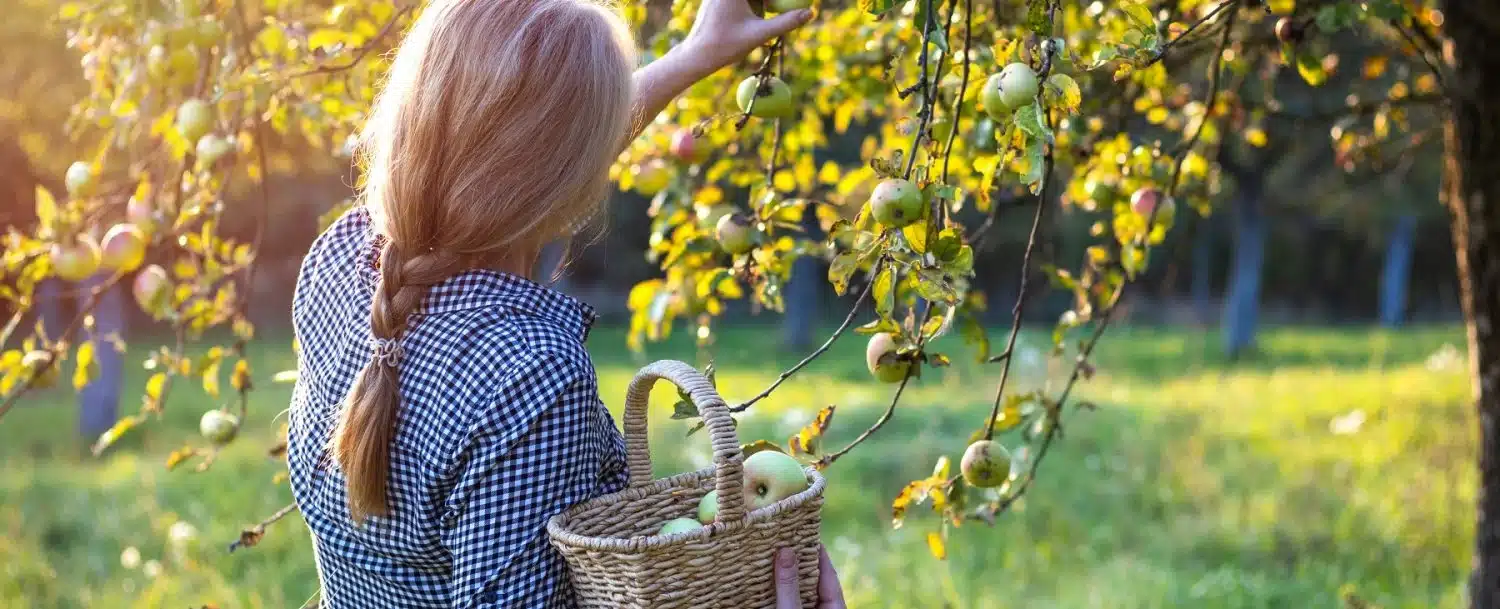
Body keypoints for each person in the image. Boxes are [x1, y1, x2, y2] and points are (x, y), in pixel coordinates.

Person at [285, 0, 845, 607]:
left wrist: (692, 56)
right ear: (571, 178)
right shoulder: (530, 377)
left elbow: (512, 153)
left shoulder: (340, 257)